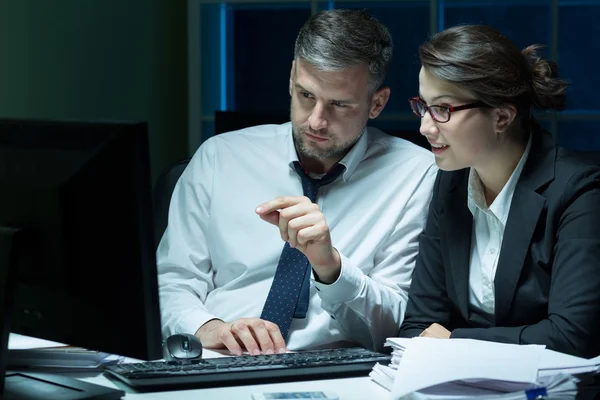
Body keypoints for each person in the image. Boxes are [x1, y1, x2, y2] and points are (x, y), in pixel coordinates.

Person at [157, 9, 437, 356]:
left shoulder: (416, 174)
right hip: (217, 359)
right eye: (306, 95)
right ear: (292, 77)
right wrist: (207, 327)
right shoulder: (219, 157)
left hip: (335, 373)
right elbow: (171, 281)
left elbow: (394, 324)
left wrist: (331, 267)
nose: (317, 121)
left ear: (376, 103)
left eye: (339, 105)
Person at [398, 24, 600, 358]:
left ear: (502, 117)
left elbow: (570, 336)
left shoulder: (579, 192)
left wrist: (455, 343)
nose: (424, 126)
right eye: (423, 105)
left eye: (443, 109)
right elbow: (419, 324)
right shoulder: (450, 183)